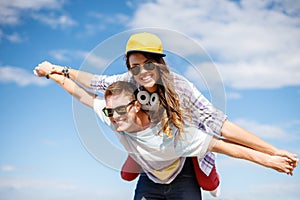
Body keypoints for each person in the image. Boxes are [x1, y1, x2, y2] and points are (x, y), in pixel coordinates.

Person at [34, 32, 298, 194]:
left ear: (160, 63)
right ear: (129, 66)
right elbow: (94, 84)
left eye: (149, 64)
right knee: (127, 173)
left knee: (206, 182)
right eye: (135, 66)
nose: (142, 71)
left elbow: (219, 125)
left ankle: (203, 174)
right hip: (145, 147)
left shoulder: (180, 87)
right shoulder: (129, 80)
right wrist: (60, 70)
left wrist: (271, 152)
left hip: (179, 146)